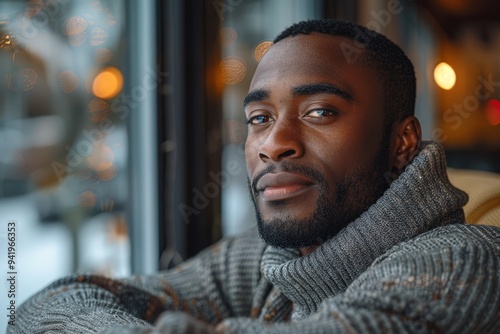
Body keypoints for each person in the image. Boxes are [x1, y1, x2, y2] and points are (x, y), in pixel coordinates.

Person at [10, 19, 500, 334]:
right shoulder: (266, 261)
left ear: (403, 143)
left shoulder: (467, 261)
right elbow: (48, 308)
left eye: (320, 111)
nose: (272, 143)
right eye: (260, 119)